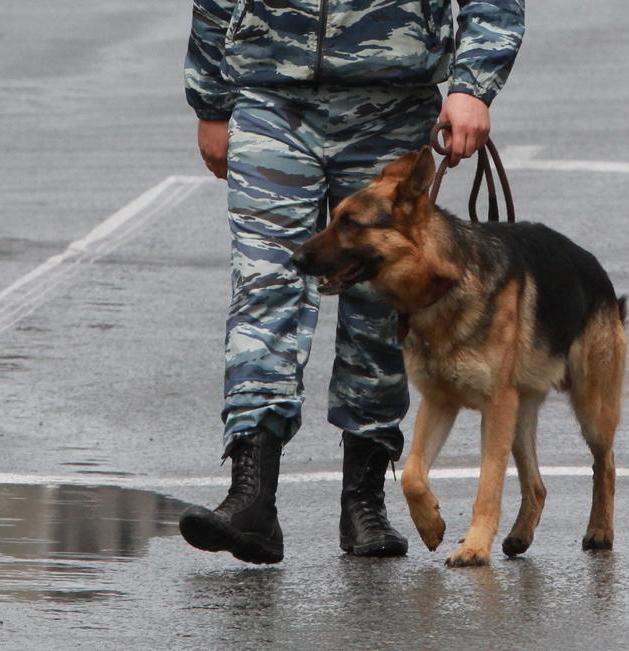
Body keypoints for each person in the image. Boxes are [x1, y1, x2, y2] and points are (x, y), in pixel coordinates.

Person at [175, 0, 525, 564]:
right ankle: (251, 495)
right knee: (264, 288)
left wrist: (473, 85)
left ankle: (364, 498)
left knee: (380, 302)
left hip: (391, 104)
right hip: (271, 100)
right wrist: (211, 100)